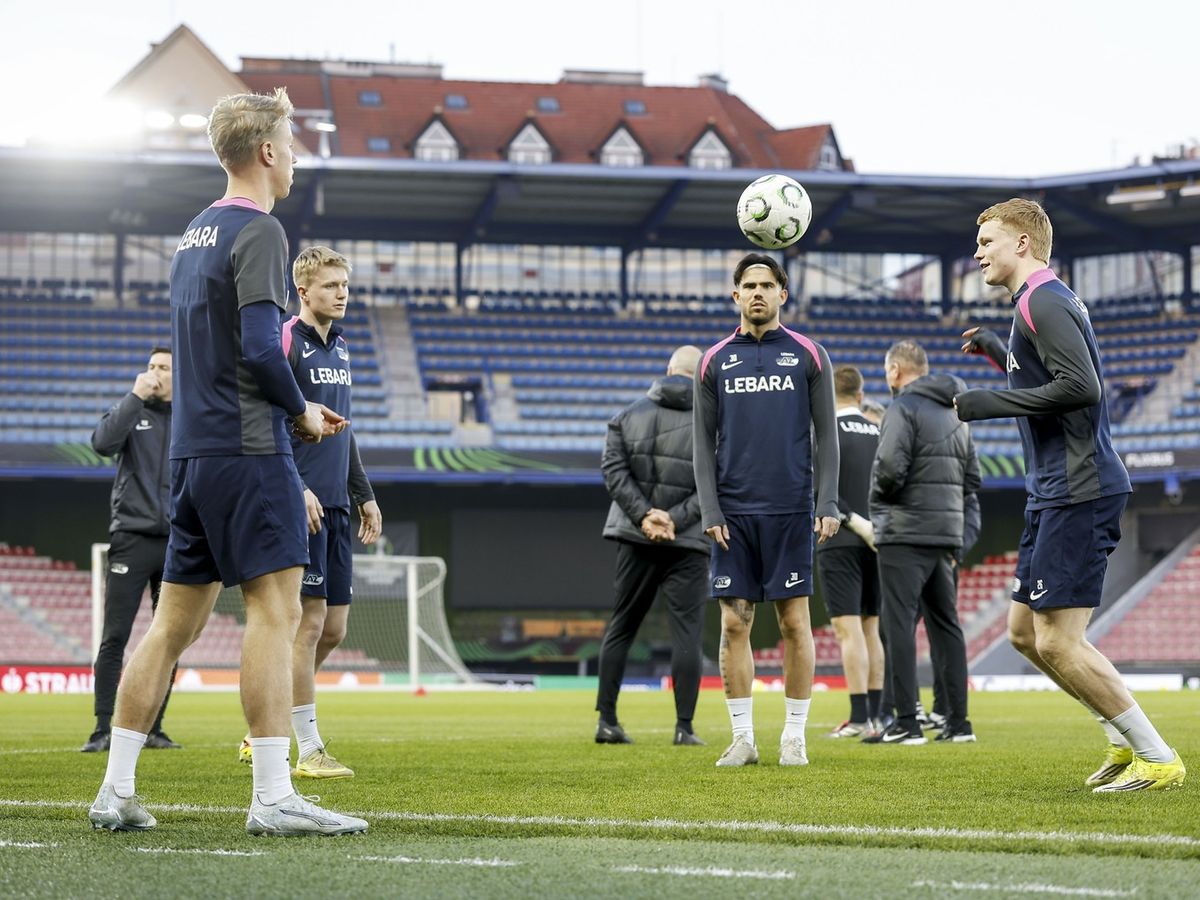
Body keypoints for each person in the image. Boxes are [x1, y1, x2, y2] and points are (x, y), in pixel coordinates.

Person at [88, 88, 367, 836]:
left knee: (169, 628)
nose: (296, 158)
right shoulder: (261, 230)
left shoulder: (194, 233)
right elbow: (260, 349)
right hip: (248, 450)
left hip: (192, 456)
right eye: (292, 144)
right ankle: (273, 796)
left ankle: (115, 789)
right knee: (276, 615)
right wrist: (302, 411)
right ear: (267, 152)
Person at [956, 198, 1185, 791]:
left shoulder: (1043, 300)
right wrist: (997, 352)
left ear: (1022, 244)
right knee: (1023, 634)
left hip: (1079, 488)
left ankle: (1157, 756)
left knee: (1059, 640)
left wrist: (987, 403)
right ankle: (1121, 737)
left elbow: (1080, 387)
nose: (977, 254)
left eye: (986, 242)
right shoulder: (1037, 301)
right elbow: (1046, 375)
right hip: (1053, 490)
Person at [236, 246, 383, 777]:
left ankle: (267, 717)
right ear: (303, 291)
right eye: (330, 285)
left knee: (333, 629)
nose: (342, 293)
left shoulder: (342, 347)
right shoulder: (284, 340)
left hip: (338, 503)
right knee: (308, 623)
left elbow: (342, 428)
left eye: (345, 284)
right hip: (302, 502)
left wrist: (364, 493)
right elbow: (266, 420)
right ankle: (309, 749)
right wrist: (296, 486)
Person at [693, 253, 841, 768]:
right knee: (734, 624)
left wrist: (827, 500)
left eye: (767, 285)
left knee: (795, 623)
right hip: (732, 514)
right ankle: (743, 739)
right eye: (749, 285)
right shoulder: (713, 361)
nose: (758, 293)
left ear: (783, 294)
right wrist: (710, 508)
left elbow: (827, 435)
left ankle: (793, 737)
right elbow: (701, 443)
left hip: (790, 508)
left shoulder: (809, 355)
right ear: (735, 295)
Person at [865, 340, 980, 746]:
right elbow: (973, 478)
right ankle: (958, 723)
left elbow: (889, 468)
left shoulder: (902, 408)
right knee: (947, 626)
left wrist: (879, 500)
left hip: (905, 531)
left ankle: (906, 722)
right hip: (945, 534)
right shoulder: (956, 413)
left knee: (897, 625)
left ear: (895, 370)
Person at [595, 345, 708, 747]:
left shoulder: (627, 416)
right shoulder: (715, 423)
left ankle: (607, 721)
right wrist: (674, 519)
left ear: (669, 369)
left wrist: (644, 516)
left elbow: (613, 471)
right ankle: (684, 728)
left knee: (622, 626)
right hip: (689, 541)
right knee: (687, 635)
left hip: (635, 536)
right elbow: (717, 484)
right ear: (701, 375)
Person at [82, 348, 181, 754]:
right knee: (115, 636)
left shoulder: (191, 418)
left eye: (164, 367)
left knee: (169, 637)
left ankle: (154, 728)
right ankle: (102, 728)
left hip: (177, 543)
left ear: (179, 375)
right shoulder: (131, 409)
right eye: (151, 366)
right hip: (131, 538)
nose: (154, 373)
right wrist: (135, 396)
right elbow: (102, 443)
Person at [816, 365, 885, 738]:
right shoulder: (880, 432)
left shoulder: (824, 434)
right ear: (860, 395)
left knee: (849, 629)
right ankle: (876, 716)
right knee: (872, 627)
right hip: (878, 541)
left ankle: (859, 717)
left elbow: (816, 487)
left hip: (838, 537)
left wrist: (852, 520)